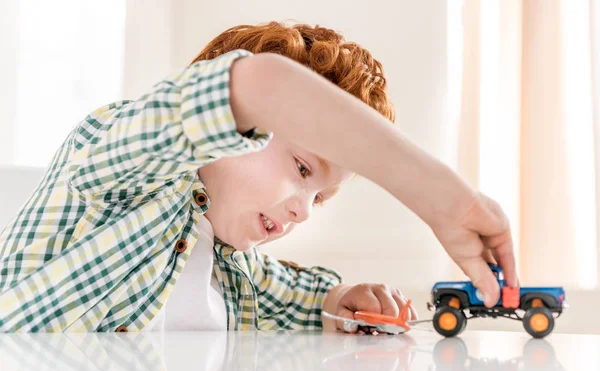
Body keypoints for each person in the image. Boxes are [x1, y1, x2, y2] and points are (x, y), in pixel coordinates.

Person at [0, 21, 517, 333]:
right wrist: (438, 196)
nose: (304, 209)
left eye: (322, 197)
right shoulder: (116, 167)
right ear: (230, 130)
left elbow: (297, 296)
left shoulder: (231, 264)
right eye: (301, 169)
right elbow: (262, 83)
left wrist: (339, 301)